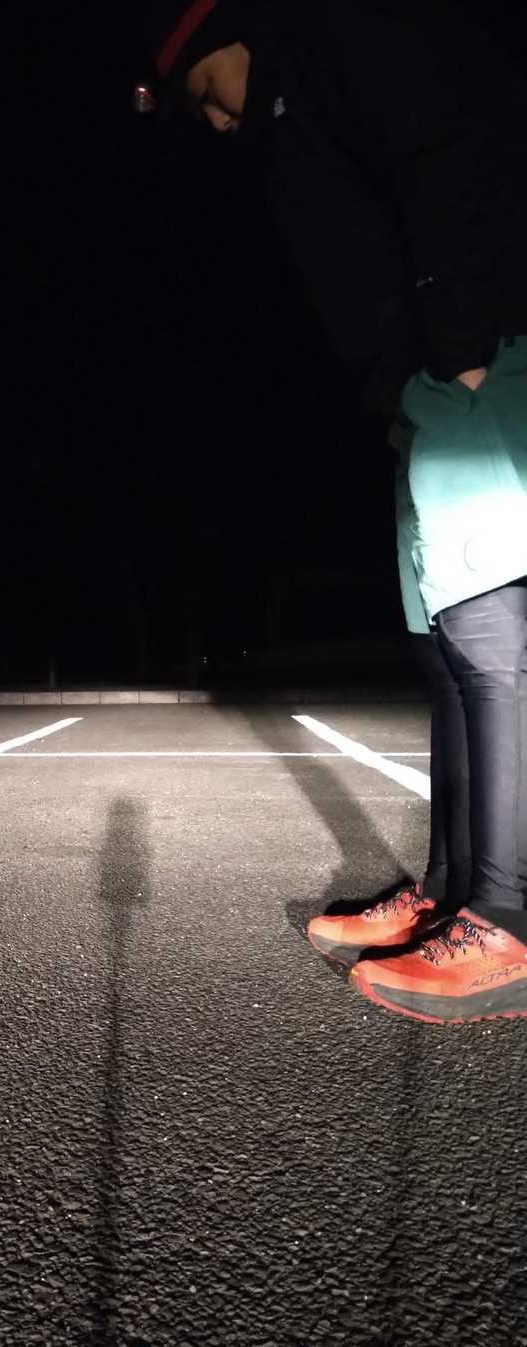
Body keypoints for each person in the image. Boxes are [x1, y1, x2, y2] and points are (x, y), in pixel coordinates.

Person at [133, 0, 527, 1023]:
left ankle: (509, 920)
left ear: (220, 37)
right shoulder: (290, 118)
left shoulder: (343, 36)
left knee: (487, 632)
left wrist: (461, 344)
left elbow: (452, 145)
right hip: (419, 391)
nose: (211, 119)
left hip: (473, 358)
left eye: (200, 93)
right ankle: (454, 890)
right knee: (443, 645)